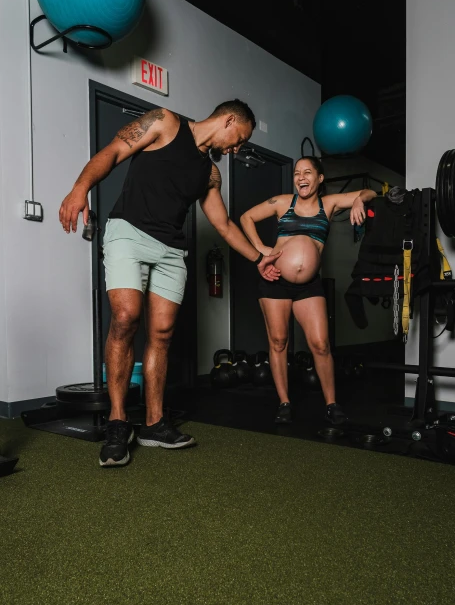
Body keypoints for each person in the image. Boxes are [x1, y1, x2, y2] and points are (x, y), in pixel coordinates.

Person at [59, 99, 281, 467]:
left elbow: (224, 225)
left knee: (161, 333)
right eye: (240, 139)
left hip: (171, 250)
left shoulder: (211, 174)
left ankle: (154, 423)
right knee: (126, 317)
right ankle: (118, 422)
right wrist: (79, 188)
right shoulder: (165, 122)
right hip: (128, 233)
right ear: (229, 120)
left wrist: (259, 259)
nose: (237, 149)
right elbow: (114, 152)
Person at [240, 156, 377, 426]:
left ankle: (332, 405)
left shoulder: (330, 204)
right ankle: (284, 403)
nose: (301, 177)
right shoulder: (282, 202)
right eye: (297, 173)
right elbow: (246, 218)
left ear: (320, 178)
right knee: (278, 343)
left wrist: (361, 199)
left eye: (308, 172)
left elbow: (369, 191)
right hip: (275, 281)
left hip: (310, 287)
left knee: (321, 344)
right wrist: (261, 250)